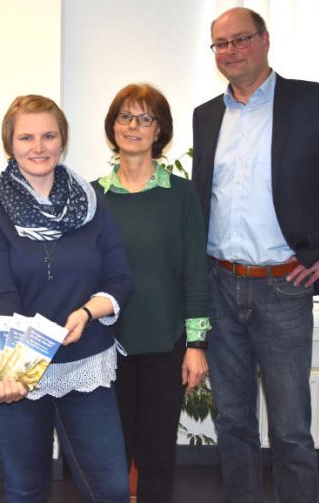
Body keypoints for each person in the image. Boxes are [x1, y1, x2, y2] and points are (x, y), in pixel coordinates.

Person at [191, 7, 319, 503]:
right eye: (220, 44)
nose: (230, 51)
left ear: (265, 40)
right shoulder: (207, 115)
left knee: (291, 430)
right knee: (232, 423)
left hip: (284, 287)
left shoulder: (314, 103)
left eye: (240, 39)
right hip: (220, 285)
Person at [0, 95, 133, 503]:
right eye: (26, 137)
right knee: (26, 489)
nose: (38, 147)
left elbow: (120, 278)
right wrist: (11, 371)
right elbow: (0, 294)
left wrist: (87, 312)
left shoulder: (92, 202)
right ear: (10, 143)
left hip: (83, 360)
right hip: (16, 363)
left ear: (63, 140)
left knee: (111, 489)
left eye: (48, 135)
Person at [95, 83, 210, 503]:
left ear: (159, 130)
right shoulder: (94, 196)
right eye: (125, 116)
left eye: (145, 118)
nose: (134, 126)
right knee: (110, 453)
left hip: (165, 345)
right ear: (113, 126)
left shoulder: (181, 195)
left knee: (157, 456)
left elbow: (196, 272)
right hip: (106, 347)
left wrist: (196, 343)